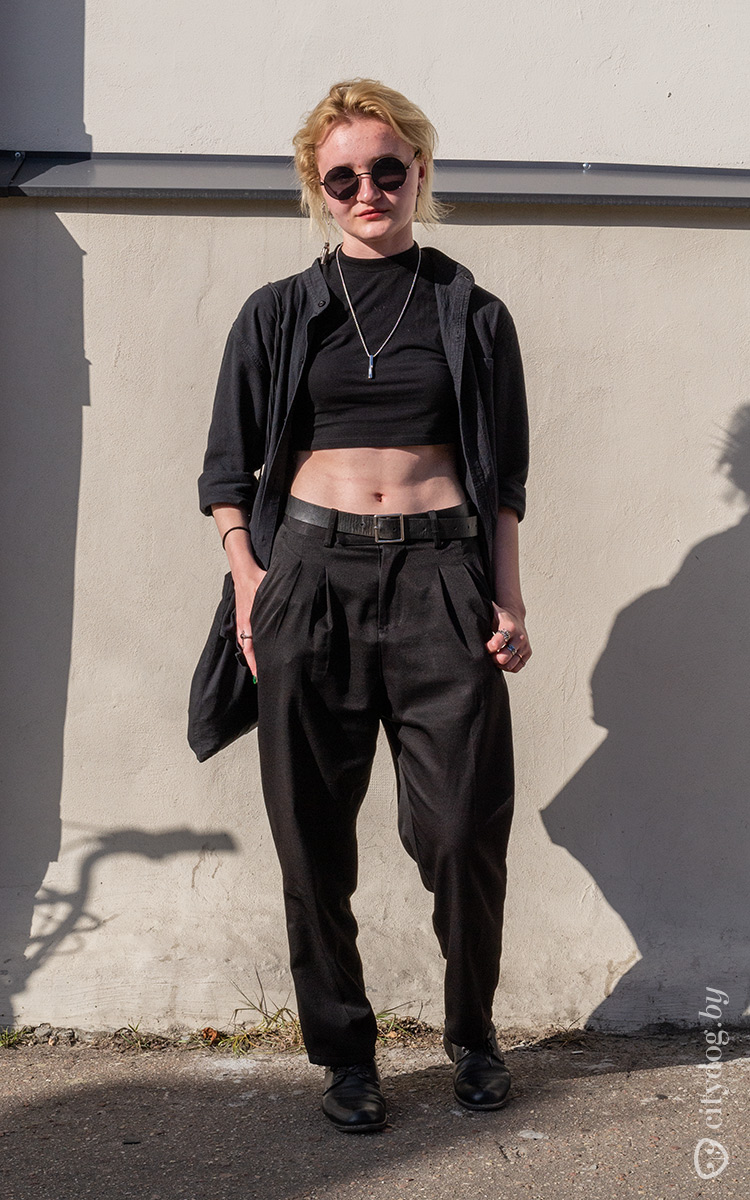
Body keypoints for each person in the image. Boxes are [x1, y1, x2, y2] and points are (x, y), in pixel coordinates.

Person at [198, 78, 530, 1133]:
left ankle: (472, 1033)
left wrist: (509, 598)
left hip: (441, 581)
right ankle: (346, 1055)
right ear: (319, 188)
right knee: (310, 837)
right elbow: (226, 471)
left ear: (419, 171)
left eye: (388, 169)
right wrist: (250, 580)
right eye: (343, 177)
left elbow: (504, 481)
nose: (368, 190)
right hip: (310, 578)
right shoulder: (278, 312)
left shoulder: (473, 315)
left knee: (462, 830)